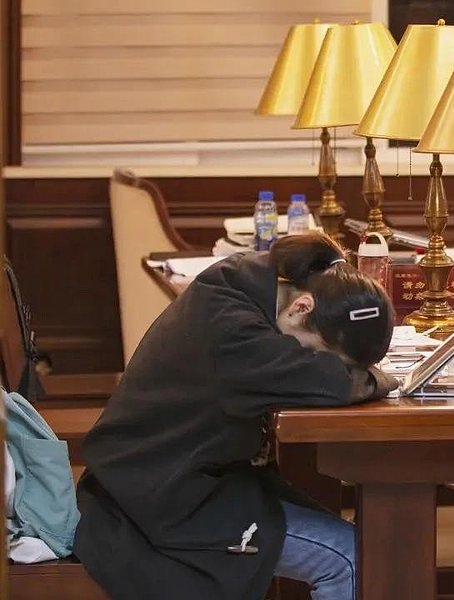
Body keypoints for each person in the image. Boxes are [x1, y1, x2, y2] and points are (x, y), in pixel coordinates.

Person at [73, 232, 398, 600]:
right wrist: (381, 379)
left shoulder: (245, 281)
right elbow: (330, 383)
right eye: (323, 356)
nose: (313, 362)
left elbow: (320, 376)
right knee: (351, 558)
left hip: (164, 476)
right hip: (156, 500)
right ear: (301, 308)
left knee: (358, 540)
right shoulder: (235, 333)